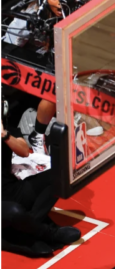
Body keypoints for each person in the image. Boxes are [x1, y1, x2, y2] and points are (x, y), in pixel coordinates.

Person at [1, 104, 81, 258]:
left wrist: (4, 135)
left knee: (59, 173)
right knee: (14, 211)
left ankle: (26, 226)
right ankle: (49, 233)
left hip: (12, 191)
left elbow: (24, 151)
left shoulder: (3, 131)